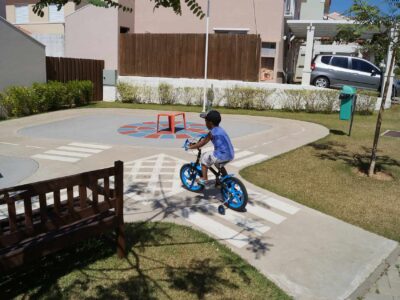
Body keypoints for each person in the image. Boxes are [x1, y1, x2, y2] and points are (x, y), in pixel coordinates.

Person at [189, 110, 235, 186]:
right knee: (218, 164)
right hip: (230, 154)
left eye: (206, 121)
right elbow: (210, 136)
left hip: (222, 155)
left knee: (204, 157)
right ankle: (225, 178)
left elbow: (202, 143)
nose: (205, 123)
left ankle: (204, 179)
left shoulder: (211, 133)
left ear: (210, 123)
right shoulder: (220, 129)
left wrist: (191, 146)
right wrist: (206, 136)